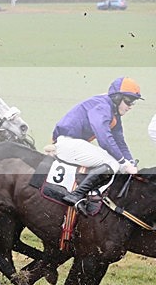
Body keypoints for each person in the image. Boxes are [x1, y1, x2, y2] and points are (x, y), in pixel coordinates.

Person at [52, 77, 142, 212]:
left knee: (119, 164)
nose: (130, 106)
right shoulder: (102, 106)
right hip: (67, 143)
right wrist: (123, 162)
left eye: (133, 103)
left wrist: (131, 163)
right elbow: (104, 138)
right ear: (117, 97)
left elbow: (120, 142)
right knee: (113, 163)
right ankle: (76, 194)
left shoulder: (114, 113)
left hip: (77, 143)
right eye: (128, 101)